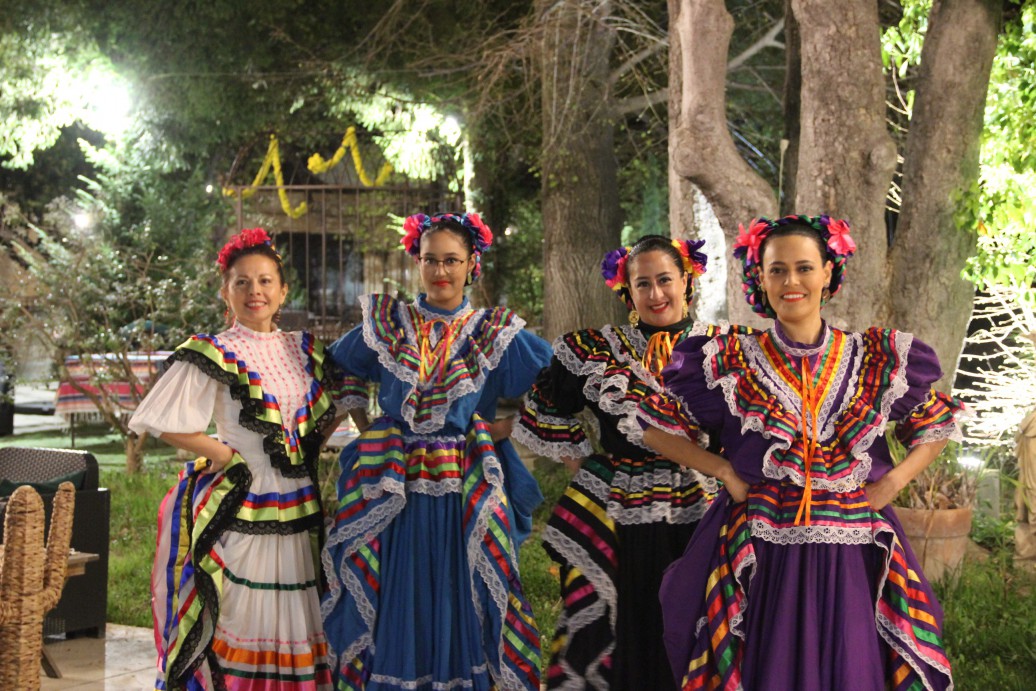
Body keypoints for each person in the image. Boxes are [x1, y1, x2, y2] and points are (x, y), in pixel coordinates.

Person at [637, 215, 962, 691]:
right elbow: (654, 428)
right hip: (764, 553)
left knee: (852, 666)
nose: (792, 282)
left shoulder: (874, 359)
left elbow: (934, 423)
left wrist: (892, 483)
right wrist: (724, 469)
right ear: (760, 278)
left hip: (854, 553)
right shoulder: (731, 359)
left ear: (828, 272)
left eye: (805, 268)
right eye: (777, 270)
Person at [320, 212, 551, 690]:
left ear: (473, 265)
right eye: (430, 260)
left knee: (461, 592)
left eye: (452, 260)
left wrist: (501, 429)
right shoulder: (389, 323)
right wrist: (371, 429)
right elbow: (338, 367)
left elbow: (558, 386)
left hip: (464, 491)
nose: (440, 272)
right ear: (417, 263)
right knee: (400, 591)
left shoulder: (493, 331)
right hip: (393, 491)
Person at [513, 235, 744, 690]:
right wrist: (584, 465)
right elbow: (547, 405)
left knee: (692, 609)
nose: (656, 294)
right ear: (627, 291)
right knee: (621, 614)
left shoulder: (726, 348)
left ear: (687, 281)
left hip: (701, 504)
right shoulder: (595, 349)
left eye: (665, 280)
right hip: (615, 504)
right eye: (643, 284)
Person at [129, 228, 338, 690]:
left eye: (264, 281)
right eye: (241, 282)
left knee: (299, 610)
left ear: (283, 291)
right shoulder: (214, 351)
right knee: (239, 609)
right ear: (226, 292)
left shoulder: (305, 351)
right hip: (243, 501)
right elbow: (162, 421)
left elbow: (324, 417)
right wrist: (222, 453)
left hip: (300, 504)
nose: (254, 292)